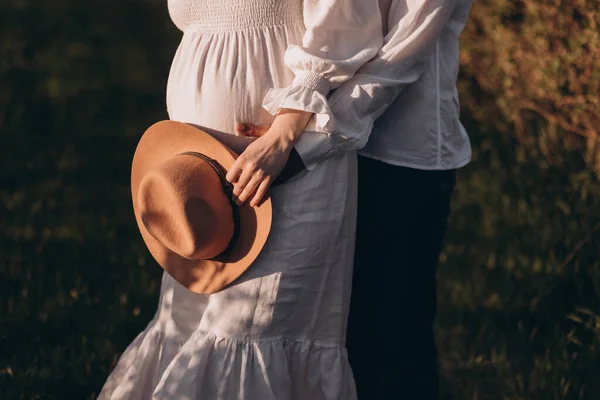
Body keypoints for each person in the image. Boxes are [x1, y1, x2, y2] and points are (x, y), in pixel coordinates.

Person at [98, 0, 383, 399]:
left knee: (254, 329)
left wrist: (284, 136)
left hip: (287, 159)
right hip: (200, 183)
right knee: (188, 326)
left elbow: (345, 24)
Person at [234, 1, 473, 398]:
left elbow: (400, 56)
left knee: (394, 337)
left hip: (400, 159)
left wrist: (303, 139)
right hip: (320, 156)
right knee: (333, 333)